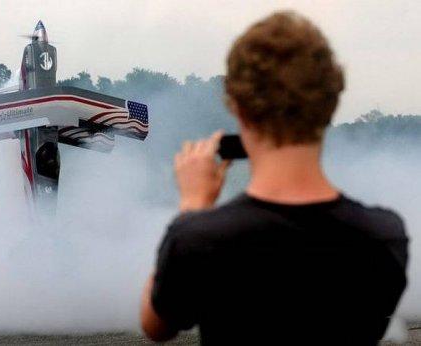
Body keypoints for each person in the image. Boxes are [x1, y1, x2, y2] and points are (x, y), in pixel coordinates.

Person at [140, 11, 408, 345]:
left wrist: (193, 205)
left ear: (238, 108)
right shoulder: (385, 235)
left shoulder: (200, 237)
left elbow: (157, 326)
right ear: (329, 105)